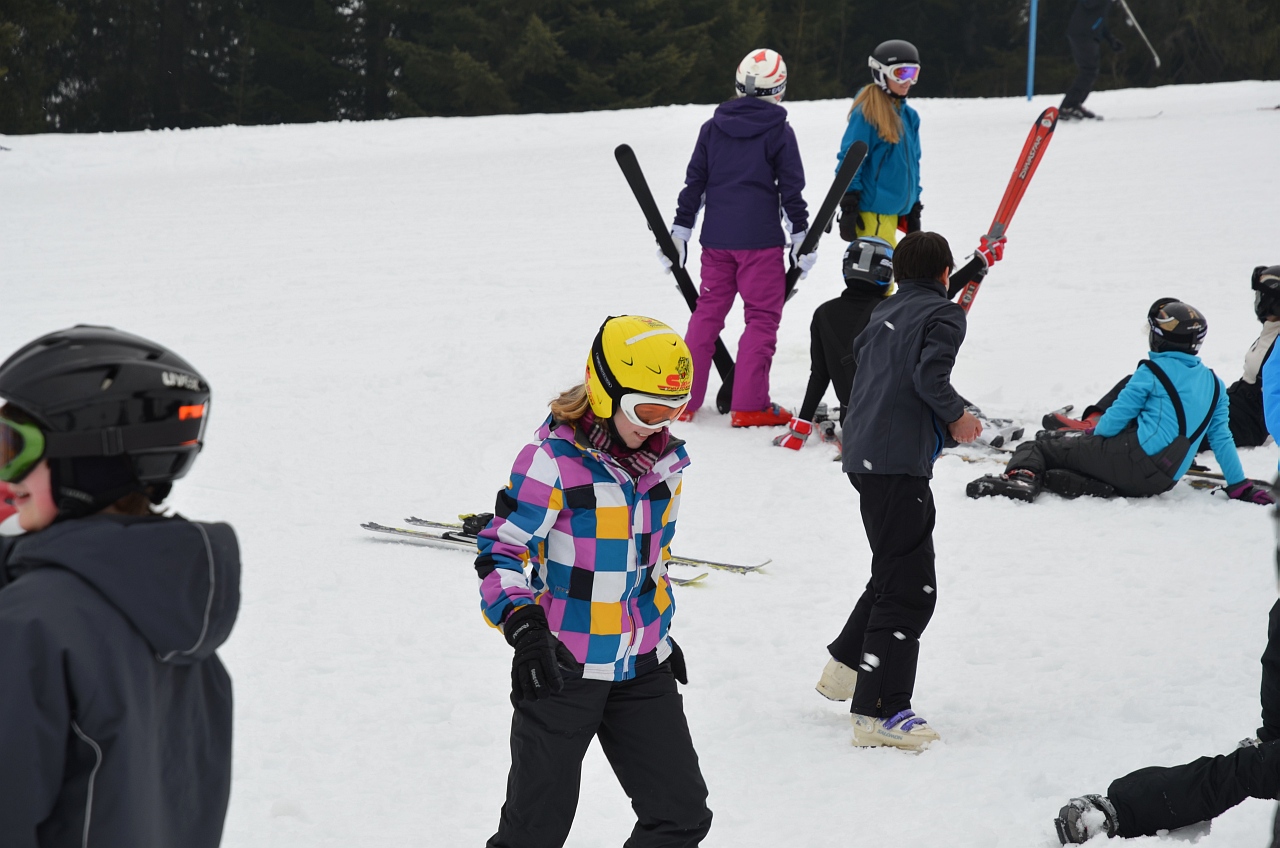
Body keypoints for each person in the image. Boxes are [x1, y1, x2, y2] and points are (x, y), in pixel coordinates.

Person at [475, 315, 712, 848]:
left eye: (673, 409)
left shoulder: (664, 463)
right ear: (606, 392)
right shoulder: (552, 464)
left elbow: (647, 561)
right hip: (561, 668)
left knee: (680, 817)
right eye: (648, 410)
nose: (659, 425)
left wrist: (656, 630)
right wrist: (524, 627)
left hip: (642, 667)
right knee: (533, 835)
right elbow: (500, 551)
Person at [0, 325, 239, 847]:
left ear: (88, 459)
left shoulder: (30, 627)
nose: (4, 474)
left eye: (13, 448)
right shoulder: (183, 621)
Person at [816, 231, 982, 750]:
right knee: (910, 588)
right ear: (944, 274)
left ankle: (847, 666)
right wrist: (957, 417)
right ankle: (880, 711)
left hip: (864, 454)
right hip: (895, 463)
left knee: (894, 568)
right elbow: (930, 378)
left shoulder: (883, 312)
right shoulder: (943, 314)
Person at [967, 299, 1273, 505]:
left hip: (1130, 461)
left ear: (1158, 338)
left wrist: (1086, 437)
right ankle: (1085, 482)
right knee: (1079, 455)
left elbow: (1113, 421)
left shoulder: (1151, 372)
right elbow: (1221, 439)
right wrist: (1239, 485)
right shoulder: (1214, 384)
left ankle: (1022, 478)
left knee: (1040, 446)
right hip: (1163, 480)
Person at [665, 48, 810, 428]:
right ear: (779, 89)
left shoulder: (712, 128)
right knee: (761, 318)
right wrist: (800, 235)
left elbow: (695, 185)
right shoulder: (779, 131)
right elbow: (791, 190)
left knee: (707, 314)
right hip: (760, 244)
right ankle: (749, 405)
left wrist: (680, 231)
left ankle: (683, 401)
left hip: (716, 243)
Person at [774, 235, 1006, 451]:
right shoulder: (888, 310)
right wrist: (979, 261)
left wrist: (801, 426)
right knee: (930, 380)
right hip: (901, 421)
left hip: (854, 421)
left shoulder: (823, 314)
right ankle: (975, 426)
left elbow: (820, 374)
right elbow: (934, 296)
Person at [1045, 264, 1280, 450]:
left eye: (1262, 297)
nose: (1257, 302)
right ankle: (1094, 420)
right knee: (1146, 382)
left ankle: (1100, 434)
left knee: (1162, 408)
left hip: (1243, 423)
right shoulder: (1272, 329)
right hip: (1234, 403)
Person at [837, 39, 922, 247]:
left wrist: (914, 204)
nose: (907, 81)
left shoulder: (909, 117)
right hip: (873, 213)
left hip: (895, 212)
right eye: (900, 73)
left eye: (913, 73)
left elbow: (914, 164)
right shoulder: (868, 112)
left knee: (895, 265)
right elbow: (851, 158)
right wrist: (849, 202)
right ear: (881, 73)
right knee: (880, 267)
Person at [1060, 0, 1125, 121]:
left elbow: (1100, 20)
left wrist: (1111, 40)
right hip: (1082, 34)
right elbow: (1089, 4)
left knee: (1090, 71)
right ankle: (1068, 106)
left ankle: (1074, 104)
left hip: (1088, 35)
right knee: (1088, 71)